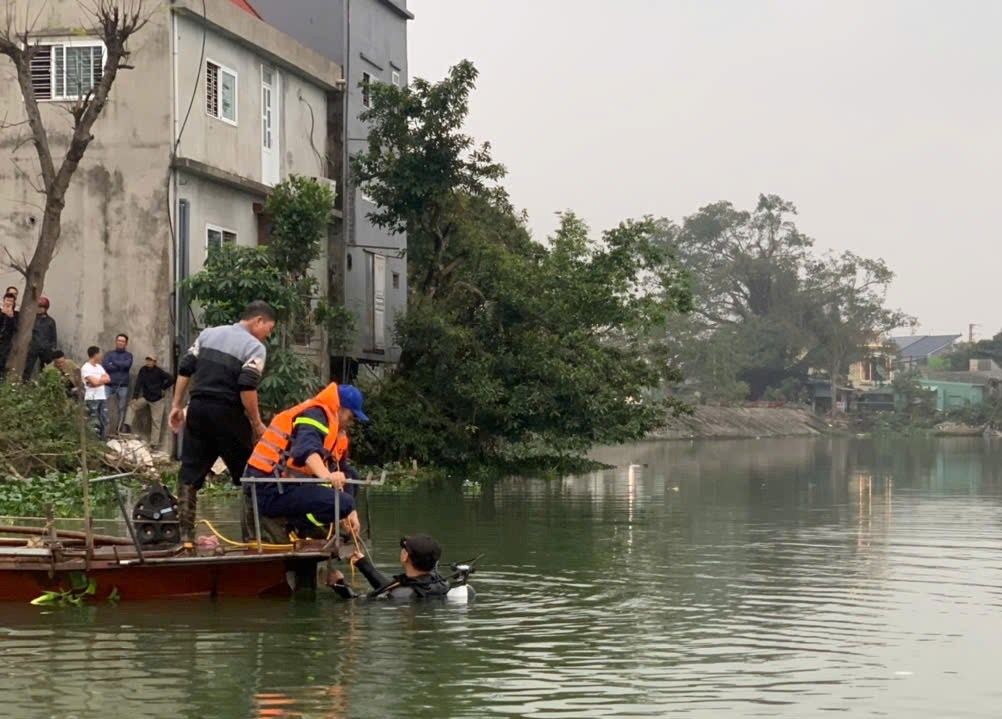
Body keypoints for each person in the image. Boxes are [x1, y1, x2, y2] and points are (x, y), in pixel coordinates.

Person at [169, 301, 276, 544]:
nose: (268, 335)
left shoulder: (208, 334)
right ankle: (253, 538)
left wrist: (177, 406)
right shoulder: (254, 347)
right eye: (269, 329)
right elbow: (247, 386)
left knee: (189, 473)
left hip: (197, 409)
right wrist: (257, 423)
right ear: (258, 320)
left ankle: (184, 537)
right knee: (250, 472)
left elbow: (185, 368)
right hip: (227, 412)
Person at [244, 383, 365, 540]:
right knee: (343, 502)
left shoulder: (335, 432)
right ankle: (299, 523)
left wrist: (351, 512)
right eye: (351, 417)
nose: (351, 423)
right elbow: (306, 450)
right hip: (268, 489)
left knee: (351, 477)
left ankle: (310, 523)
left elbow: (342, 470)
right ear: (340, 408)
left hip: (289, 486)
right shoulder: (315, 414)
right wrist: (328, 476)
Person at [332, 535, 450, 600]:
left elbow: (359, 601)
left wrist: (339, 584)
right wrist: (362, 563)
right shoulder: (441, 583)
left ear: (405, 557)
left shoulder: (400, 595)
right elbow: (387, 587)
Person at [125, 355, 174, 447]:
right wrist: (135, 397)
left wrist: (163, 388)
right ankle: (127, 426)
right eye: (147, 360)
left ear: (154, 362)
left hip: (157, 400)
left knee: (156, 421)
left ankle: (153, 443)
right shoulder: (143, 370)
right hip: (146, 397)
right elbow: (138, 383)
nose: (148, 362)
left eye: (151, 360)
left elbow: (171, 379)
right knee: (132, 406)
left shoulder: (159, 371)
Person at [103, 333, 133, 436]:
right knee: (105, 407)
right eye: (119, 340)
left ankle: (119, 430)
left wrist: (113, 363)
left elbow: (127, 365)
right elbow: (106, 366)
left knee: (121, 408)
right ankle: (105, 431)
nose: (120, 343)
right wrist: (120, 365)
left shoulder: (129, 355)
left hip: (122, 386)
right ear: (116, 342)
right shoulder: (108, 354)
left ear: (126, 343)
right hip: (108, 385)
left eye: (123, 341)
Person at [81, 346, 111, 441]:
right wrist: (99, 381)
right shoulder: (86, 368)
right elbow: (94, 382)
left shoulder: (99, 367)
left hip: (102, 396)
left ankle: (103, 440)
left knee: (104, 420)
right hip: (92, 397)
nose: (101, 355)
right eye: (100, 353)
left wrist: (98, 381)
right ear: (95, 354)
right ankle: (94, 442)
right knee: (94, 421)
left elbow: (108, 379)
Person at [23, 296, 57, 380]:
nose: (40, 309)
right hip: (33, 347)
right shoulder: (32, 319)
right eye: (39, 307)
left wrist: (52, 346)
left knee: (45, 368)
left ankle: (43, 384)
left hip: (46, 348)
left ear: (46, 308)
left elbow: (53, 335)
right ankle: (24, 384)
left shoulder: (50, 321)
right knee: (28, 367)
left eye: (42, 307)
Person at [0, 292, 18, 377]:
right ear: (3, 301)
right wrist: (3, 314)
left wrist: (11, 317)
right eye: (7, 300)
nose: (9, 303)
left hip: (5, 343)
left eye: (11, 301)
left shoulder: (16, 314)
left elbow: (16, 328)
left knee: (2, 363)